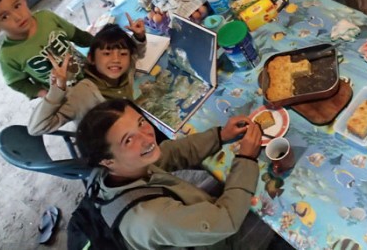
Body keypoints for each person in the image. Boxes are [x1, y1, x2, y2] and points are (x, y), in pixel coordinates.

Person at [76, 98, 265, 250]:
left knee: (232, 187)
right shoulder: (152, 218)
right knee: (267, 213)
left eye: (141, 122)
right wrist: (246, 158)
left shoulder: (112, 170)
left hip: (177, 220)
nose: (147, 137)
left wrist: (220, 135)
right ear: (107, 161)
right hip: (215, 240)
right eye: (128, 140)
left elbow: (172, 153)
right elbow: (226, 221)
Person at [0, 0, 94, 99]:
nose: (18, 17)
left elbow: (78, 35)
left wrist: (101, 47)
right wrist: (43, 93)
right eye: (4, 17)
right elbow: (16, 82)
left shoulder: (47, 17)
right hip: (67, 96)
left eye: (17, 6)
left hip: (90, 72)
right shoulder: (8, 56)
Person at [27, 19, 146, 135]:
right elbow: (36, 128)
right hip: (108, 143)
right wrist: (56, 90)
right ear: (91, 58)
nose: (116, 60)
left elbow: (136, 53)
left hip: (132, 125)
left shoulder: (127, 68)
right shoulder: (82, 95)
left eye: (123, 54)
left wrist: (139, 37)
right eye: (107, 53)